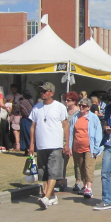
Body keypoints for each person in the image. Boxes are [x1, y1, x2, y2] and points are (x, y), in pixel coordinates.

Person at [27, 81, 70, 209]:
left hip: (55, 144)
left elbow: (65, 126)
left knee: (53, 171)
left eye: (45, 91)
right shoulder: (36, 107)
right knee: (44, 172)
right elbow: (32, 127)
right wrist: (31, 144)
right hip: (41, 144)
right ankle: (50, 196)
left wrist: (67, 143)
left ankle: (46, 197)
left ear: (52, 93)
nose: (42, 93)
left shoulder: (60, 107)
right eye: (41, 91)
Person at [68, 97, 103, 199]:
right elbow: (71, 132)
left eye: (84, 106)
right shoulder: (76, 117)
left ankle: (89, 187)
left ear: (89, 107)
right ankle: (84, 185)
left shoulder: (93, 117)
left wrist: (97, 147)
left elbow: (98, 133)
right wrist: (70, 146)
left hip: (89, 147)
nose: (81, 108)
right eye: (80, 106)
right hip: (77, 146)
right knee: (81, 166)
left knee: (89, 166)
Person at [60, 92, 81, 192]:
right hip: (64, 140)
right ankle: (61, 181)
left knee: (77, 162)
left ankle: (78, 182)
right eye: (66, 100)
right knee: (62, 162)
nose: (66, 102)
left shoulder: (79, 112)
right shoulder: (64, 111)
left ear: (74, 101)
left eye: (69, 100)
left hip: (76, 140)